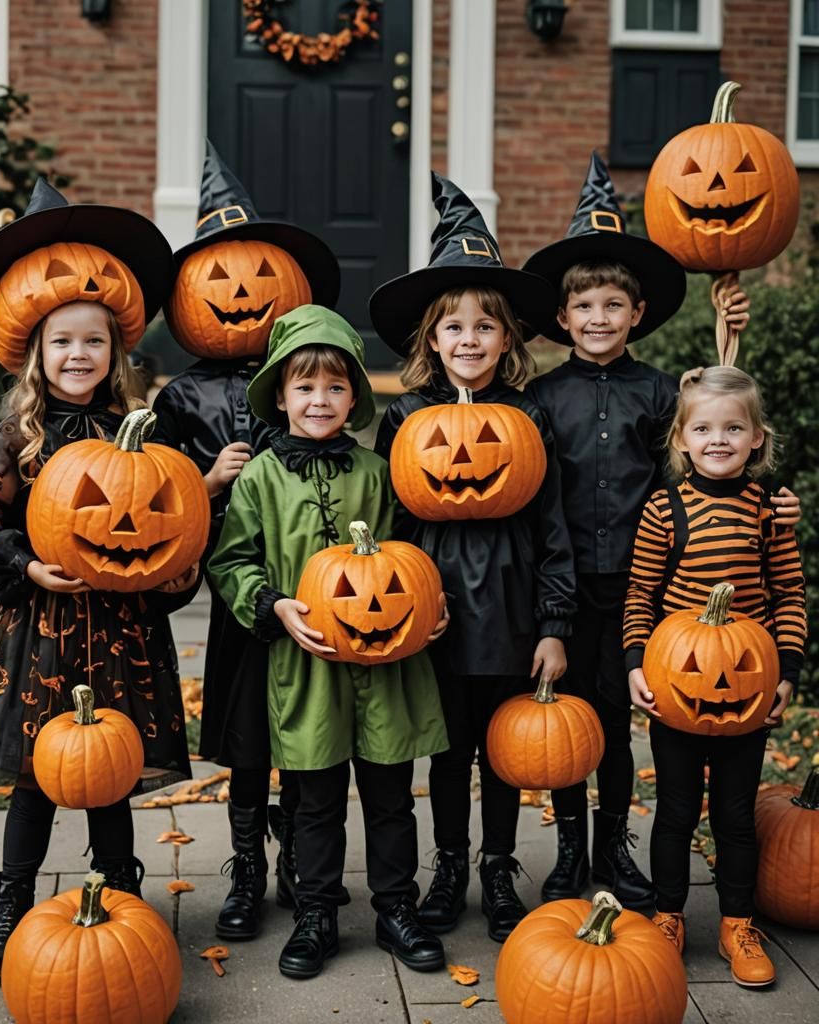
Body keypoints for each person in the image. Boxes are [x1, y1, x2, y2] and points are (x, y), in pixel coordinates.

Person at [523, 153, 800, 909]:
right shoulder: (542, 398)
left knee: (615, 721)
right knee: (569, 721)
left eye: (614, 306)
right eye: (585, 308)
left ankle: (615, 842)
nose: (599, 319)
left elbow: (711, 451)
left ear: (637, 313)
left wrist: (771, 502)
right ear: (562, 317)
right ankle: (571, 846)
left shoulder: (658, 393)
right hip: (564, 582)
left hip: (641, 591)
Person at [0, 180, 194, 983]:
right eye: (62, 342)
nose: (79, 355)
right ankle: (11, 901)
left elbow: (166, 531)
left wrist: (174, 567)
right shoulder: (16, 438)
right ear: (36, 353)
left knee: (109, 771)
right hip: (37, 642)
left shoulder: (141, 435)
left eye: (93, 341)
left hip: (120, 636)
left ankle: (120, 892)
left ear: (115, 351)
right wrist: (25, 564)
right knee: (39, 777)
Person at [208, 304, 450, 980]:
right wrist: (274, 604)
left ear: (355, 396)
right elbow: (231, 560)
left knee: (391, 794)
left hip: (387, 661)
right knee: (312, 799)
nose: (320, 400)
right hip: (305, 660)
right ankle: (316, 913)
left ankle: (395, 907)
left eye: (336, 387)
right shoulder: (259, 477)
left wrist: (432, 606)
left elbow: (411, 550)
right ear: (281, 395)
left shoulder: (377, 473)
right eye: (306, 387)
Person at [370, 173, 576, 942]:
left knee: (504, 749)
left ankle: (497, 867)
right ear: (431, 338)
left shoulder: (526, 416)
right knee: (449, 751)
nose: (468, 340)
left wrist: (554, 623)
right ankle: (448, 864)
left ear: (507, 340)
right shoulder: (406, 417)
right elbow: (387, 524)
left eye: (484, 328)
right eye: (453, 327)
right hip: (434, 609)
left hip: (513, 606)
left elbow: (552, 527)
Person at [153, 142, 340, 940]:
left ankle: (301, 860)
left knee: (304, 734)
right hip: (237, 593)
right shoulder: (182, 392)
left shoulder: (301, 375)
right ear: (191, 294)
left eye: (258, 278)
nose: (239, 295)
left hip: (309, 585)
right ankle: (247, 866)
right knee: (248, 741)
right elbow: (151, 496)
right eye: (218, 280)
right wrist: (211, 479)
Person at [624, 365, 806, 988]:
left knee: (733, 814)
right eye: (703, 428)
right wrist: (633, 665)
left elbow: (787, 592)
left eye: (734, 427)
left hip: (747, 693)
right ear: (681, 439)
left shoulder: (768, 511)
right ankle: (668, 915)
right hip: (677, 689)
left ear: (757, 437)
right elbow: (642, 595)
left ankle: (737, 921)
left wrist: (787, 673)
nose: (718, 439)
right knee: (675, 811)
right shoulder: (664, 507)